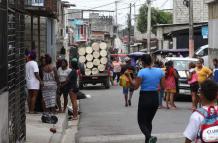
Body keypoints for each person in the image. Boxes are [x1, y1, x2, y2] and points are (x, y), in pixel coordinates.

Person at [127, 54, 165, 143]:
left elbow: (135, 87)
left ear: (142, 62)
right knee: (148, 121)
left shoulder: (142, 72)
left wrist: (129, 77)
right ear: (151, 61)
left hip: (145, 97)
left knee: (141, 122)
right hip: (155, 97)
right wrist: (156, 87)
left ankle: (150, 137)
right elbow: (163, 86)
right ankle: (148, 141)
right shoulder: (160, 71)